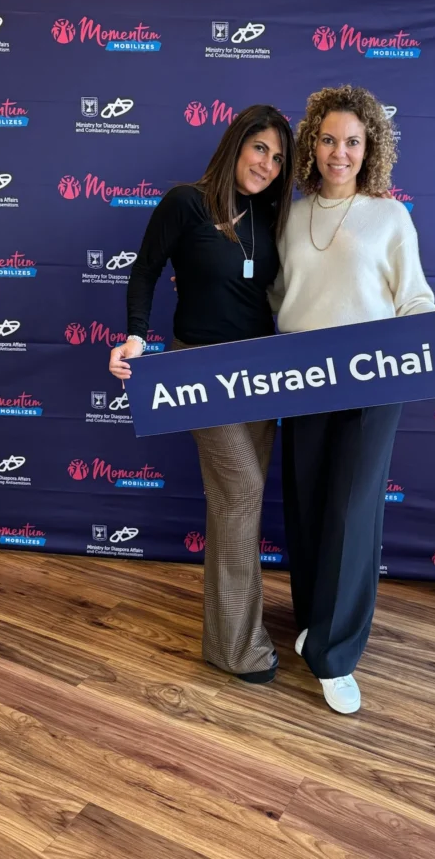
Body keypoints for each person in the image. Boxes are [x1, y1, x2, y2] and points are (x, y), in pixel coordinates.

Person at [272, 85, 435, 714]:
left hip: (374, 378)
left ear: (370, 149)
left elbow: (411, 295)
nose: (339, 151)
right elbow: (276, 300)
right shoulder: (289, 216)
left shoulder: (389, 216)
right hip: (301, 377)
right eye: (329, 138)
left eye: (352, 141)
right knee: (306, 505)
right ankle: (313, 623)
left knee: (354, 513)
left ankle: (337, 653)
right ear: (313, 143)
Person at [109, 105, 295, 683]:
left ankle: (223, 634)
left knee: (234, 504)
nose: (267, 164)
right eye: (260, 148)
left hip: (259, 374)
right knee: (239, 494)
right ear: (237, 144)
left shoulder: (273, 215)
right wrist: (137, 337)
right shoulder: (186, 202)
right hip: (200, 369)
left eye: (278, 156)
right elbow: (144, 270)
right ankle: (238, 647)